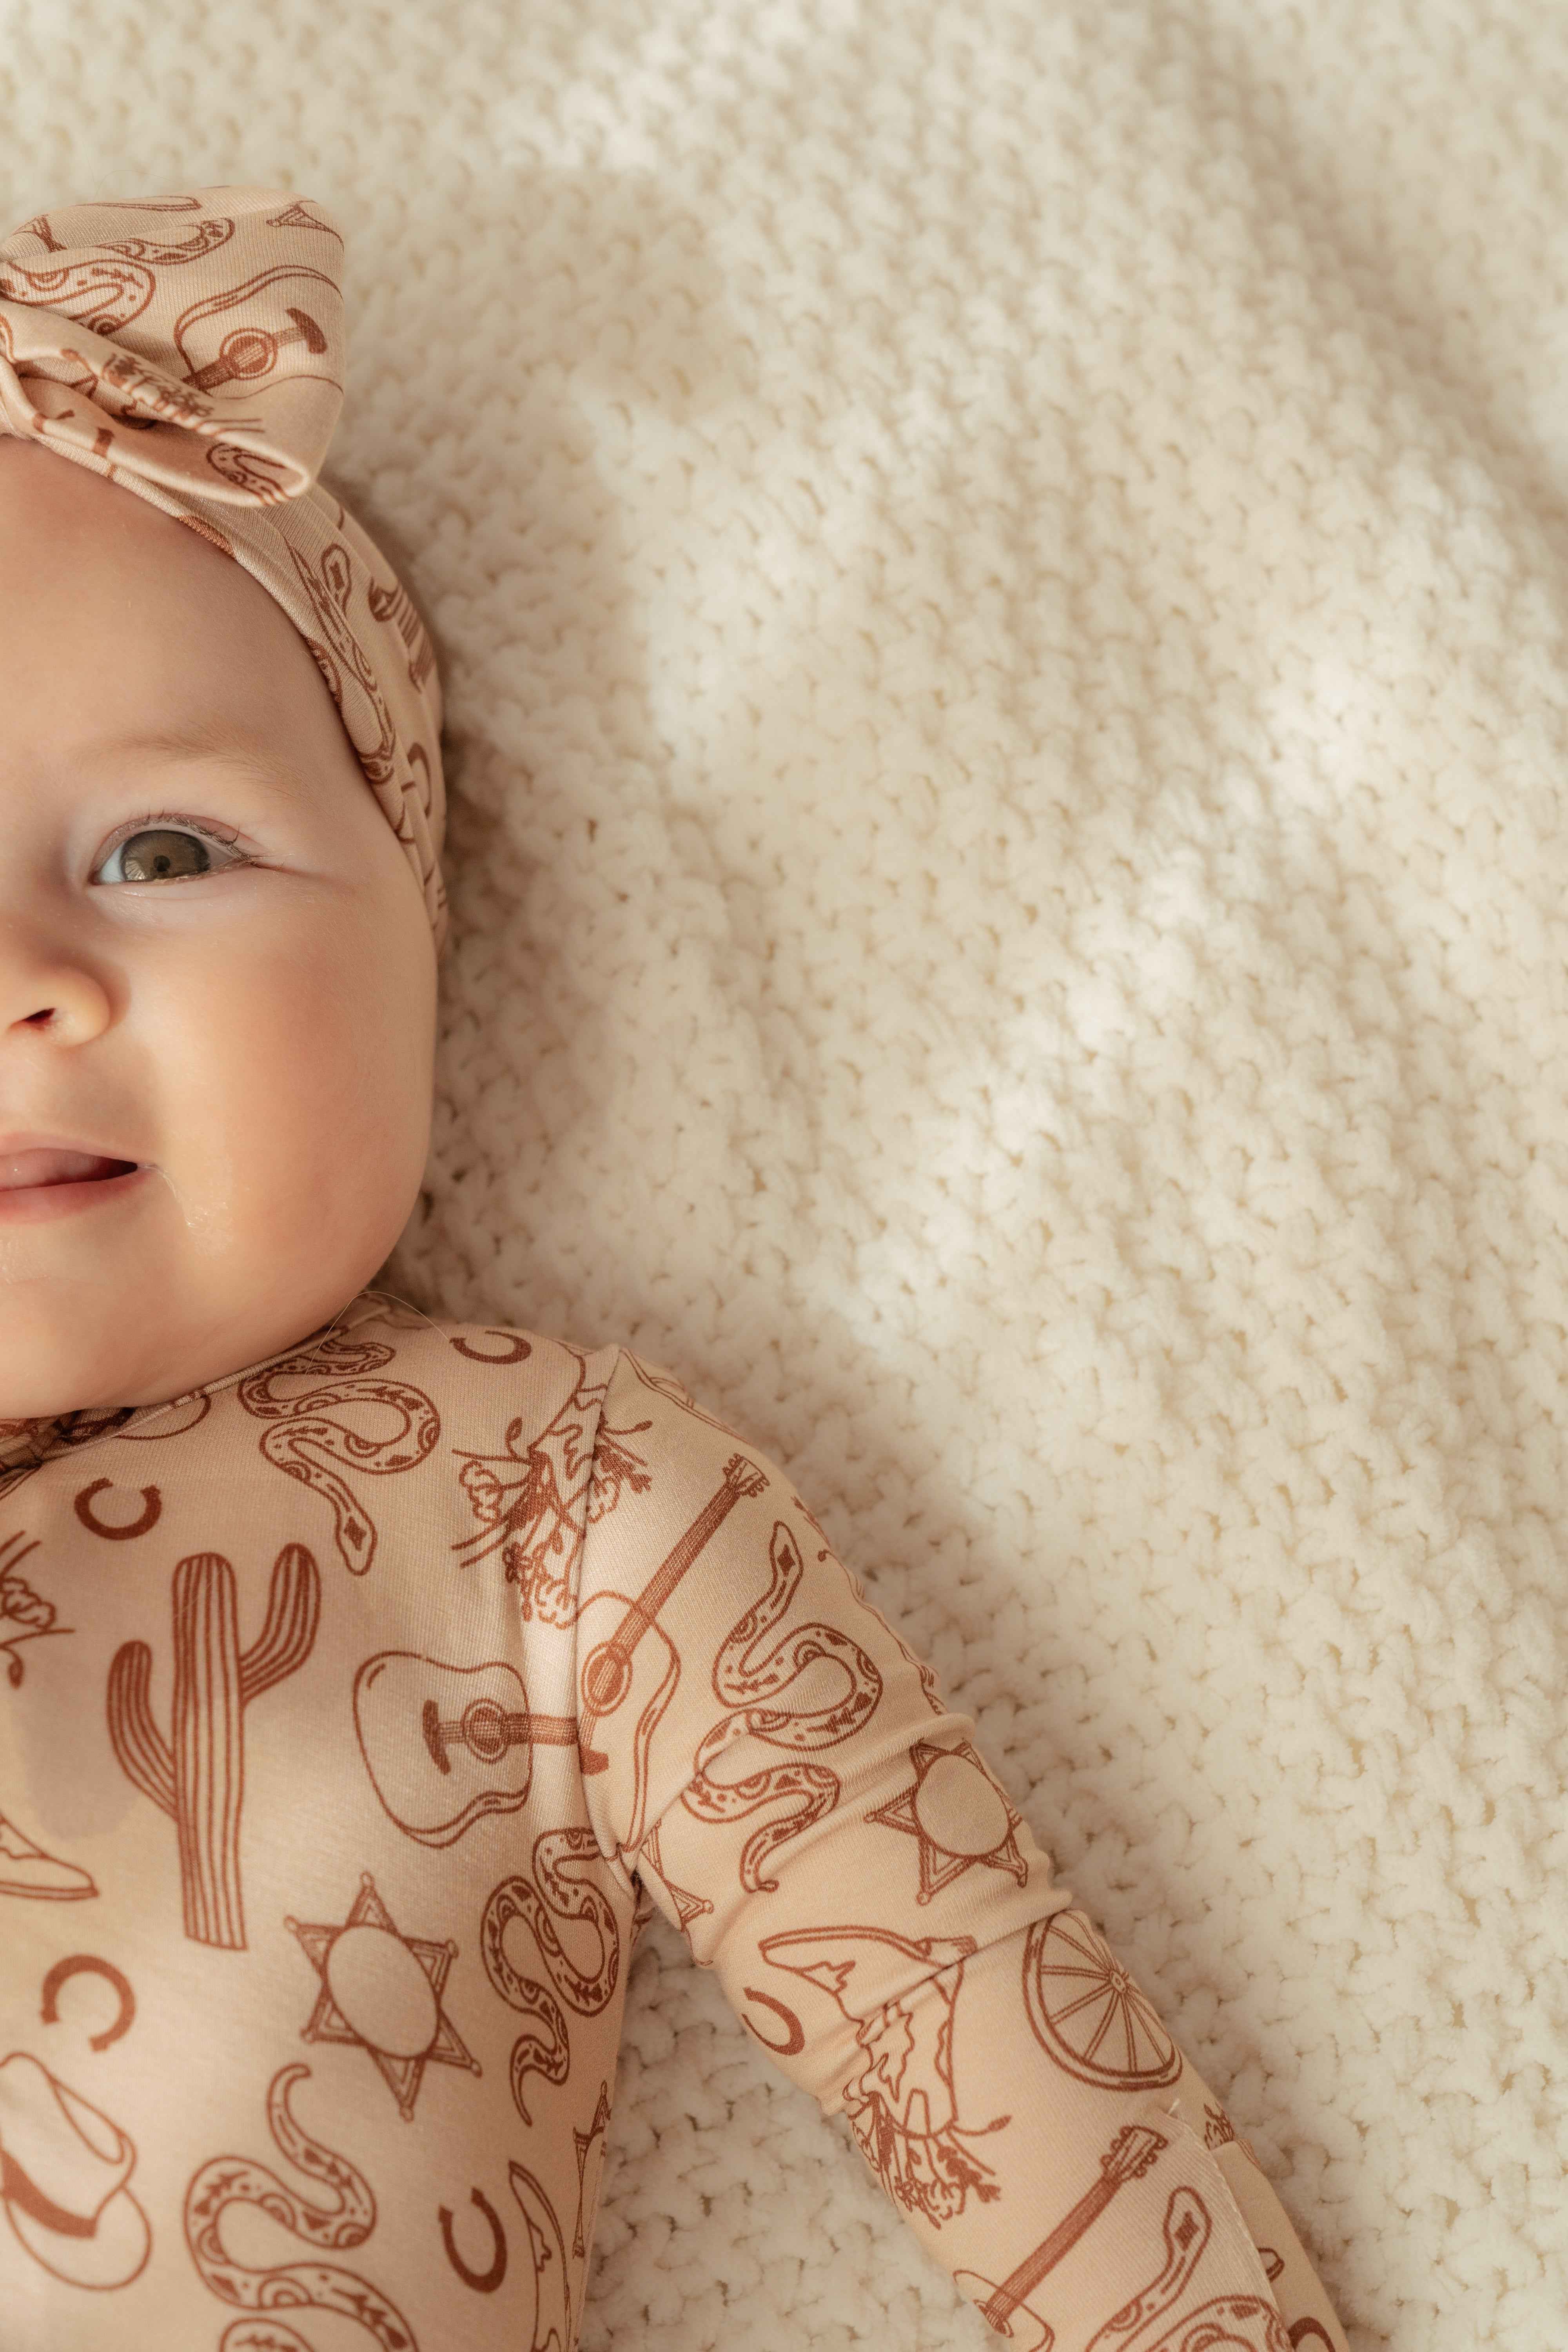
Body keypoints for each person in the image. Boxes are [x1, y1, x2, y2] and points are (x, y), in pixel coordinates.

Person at [0, 187, 1351, 2352]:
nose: (26, 974)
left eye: (162, 851)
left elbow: (984, 2050)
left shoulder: (537, 1500)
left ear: (428, 940)